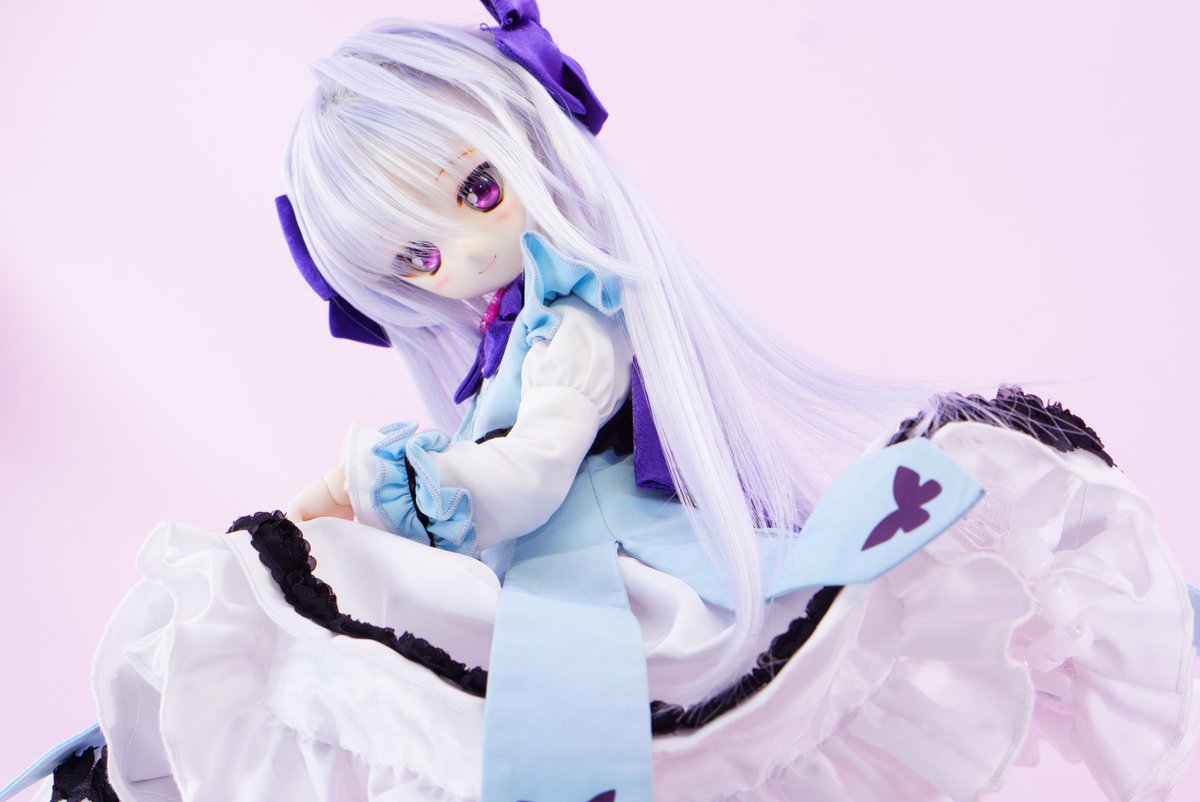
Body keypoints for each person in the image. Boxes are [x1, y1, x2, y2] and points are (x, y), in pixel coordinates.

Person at [4, 4, 1197, 801]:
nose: (462, 258)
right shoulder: (505, 347)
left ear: (531, 145)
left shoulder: (573, 322)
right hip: (546, 595)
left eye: (479, 191)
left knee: (317, 623)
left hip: (611, 589)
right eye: (416, 259)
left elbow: (526, 481)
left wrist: (371, 484)